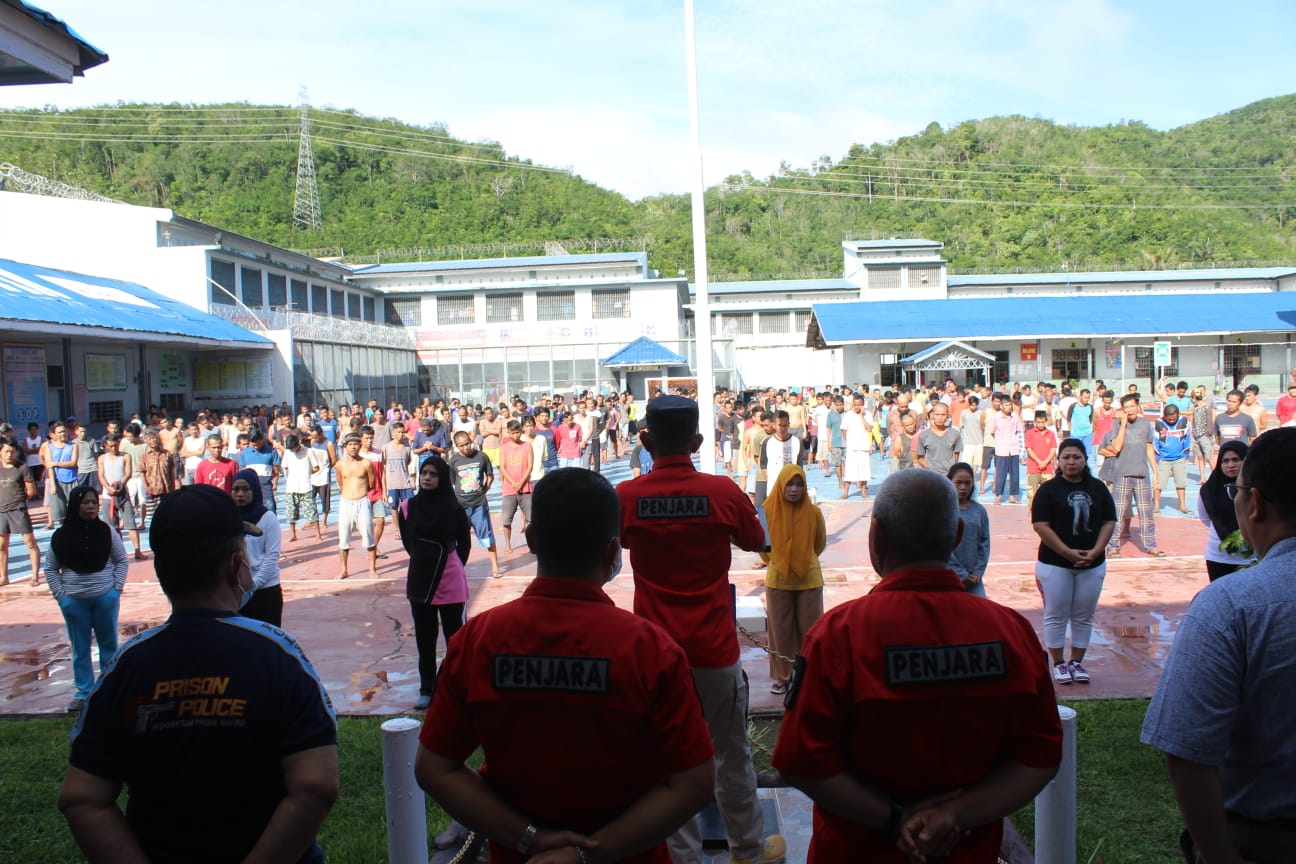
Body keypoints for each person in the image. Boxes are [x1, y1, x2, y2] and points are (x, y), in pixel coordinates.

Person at [415, 468, 715, 864]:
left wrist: (530, 840)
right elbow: (694, 783)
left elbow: (435, 768)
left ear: (533, 540)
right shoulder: (650, 650)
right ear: (612, 554)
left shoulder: (479, 640)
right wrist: (589, 853)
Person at [772, 469, 1062, 863]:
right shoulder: (1011, 632)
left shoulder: (840, 635)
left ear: (875, 537)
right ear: (958, 535)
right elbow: (1040, 756)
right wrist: (953, 814)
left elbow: (800, 762)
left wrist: (896, 819)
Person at [57, 484, 338, 863]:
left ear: (161, 572)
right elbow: (316, 784)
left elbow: (82, 797)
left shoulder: (126, 666)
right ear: (236, 567)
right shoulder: (278, 655)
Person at [617, 395, 786, 864]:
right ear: (696, 440)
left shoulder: (627, 497)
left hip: (653, 654)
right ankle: (749, 850)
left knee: (664, 761)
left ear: (646, 439)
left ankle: (681, 856)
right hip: (713, 650)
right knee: (731, 753)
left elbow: (614, 548)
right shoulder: (722, 491)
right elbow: (757, 540)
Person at [1141, 428, 1296, 864]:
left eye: (1239, 489)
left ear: (1255, 503)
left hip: (1264, 840)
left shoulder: (1229, 605)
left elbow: (1187, 751)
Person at [1031, 438, 1118, 685]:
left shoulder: (1098, 488)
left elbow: (1109, 522)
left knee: (1083, 614)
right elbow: (1041, 525)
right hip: (1054, 564)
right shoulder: (1048, 490)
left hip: (1093, 564)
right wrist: (1067, 552)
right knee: (1056, 614)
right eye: (1066, 457)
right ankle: (1058, 663)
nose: (1071, 462)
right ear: (1058, 460)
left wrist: (1097, 550)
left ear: (1085, 460)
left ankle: (1077, 662)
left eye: (1076, 457)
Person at [43, 486, 128, 712]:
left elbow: (121, 561)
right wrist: (62, 597)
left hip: (105, 599)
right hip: (74, 601)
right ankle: (84, 692)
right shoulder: (61, 536)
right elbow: (50, 568)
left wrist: (115, 590)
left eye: (93, 503)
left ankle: (108, 689)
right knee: (80, 648)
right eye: (85, 503)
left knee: (109, 644)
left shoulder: (107, 532)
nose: (90, 507)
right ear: (75, 505)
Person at [396, 457, 470, 711]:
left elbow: (464, 544)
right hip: (420, 580)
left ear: (442, 478)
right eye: (424, 473)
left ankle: (456, 687)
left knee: (455, 639)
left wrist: (449, 564)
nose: (427, 478)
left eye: (433, 474)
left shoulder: (454, 508)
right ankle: (426, 688)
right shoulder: (407, 507)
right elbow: (409, 543)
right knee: (425, 639)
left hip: (450, 579)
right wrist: (425, 562)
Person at [760, 464, 825, 696]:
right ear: (780, 485)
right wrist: (779, 562)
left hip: (809, 578)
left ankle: (808, 675)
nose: (795, 489)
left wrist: (802, 560)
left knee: (810, 631)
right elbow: (763, 547)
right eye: (790, 484)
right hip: (778, 579)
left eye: (799, 484)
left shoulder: (814, 513)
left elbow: (819, 543)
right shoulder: (766, 511)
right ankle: (782, 677)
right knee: (780, 632)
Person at [1101, 392, 1165, 558]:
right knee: (1117, 513)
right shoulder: (1117, 424)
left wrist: (1155, 471)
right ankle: (1113, 546)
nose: (1129, 410)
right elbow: (1116, 447)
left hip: (1142, 474)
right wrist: (1122, 424)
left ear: (1138, 406)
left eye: (1132, 406)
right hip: (1122, 474)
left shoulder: (1145, 424)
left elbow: (1149, 448)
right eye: (1126, 407)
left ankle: (1150, 545)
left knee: (1146, 513)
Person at [1197, 440, 1256, 582]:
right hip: (1219, 557)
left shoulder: (1258, 486)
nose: (1231, 465)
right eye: (1225, 461)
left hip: (1253, 556)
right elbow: (1206, 519)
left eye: (1236, 459)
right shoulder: (1209, 489)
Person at [231, 468, 284, 626]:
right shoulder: (228, 517)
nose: (240, 494)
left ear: (254, 489)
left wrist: (253, 585)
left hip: (265, 591)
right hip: (237, 593)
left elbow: (272, 555)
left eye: (246, 489)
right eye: (236, 489)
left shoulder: (268, 518)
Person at [449, 430, 500, 578]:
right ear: (457, 446)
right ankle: (457, 569)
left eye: (467, 443)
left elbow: (489, 476)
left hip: (479, 505)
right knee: (460, 540)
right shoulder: (454, 461)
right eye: (462, 446)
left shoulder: (481, 456)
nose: (466, 447)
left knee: (487, 537)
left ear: (471, 440)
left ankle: (495, 567)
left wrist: (484, 490)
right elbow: (451, 482)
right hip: (460, 507)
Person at [96, 433, 147, 562]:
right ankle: (118, 553)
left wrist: (120, 485)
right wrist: (108, 488)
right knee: (111, 526)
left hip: (123, 494)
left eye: (116, 445)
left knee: (130, 523)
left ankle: (137, 551)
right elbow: (101, 475)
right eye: (111, 446)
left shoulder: (125, 456)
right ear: (106, 446)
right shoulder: (102, 458)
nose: (114, 448)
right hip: (108, 496)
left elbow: (128, 473)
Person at [335, 434, 379, 580]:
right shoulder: (340, 464)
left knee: (368, 536)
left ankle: (372, 569)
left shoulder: (366, 463)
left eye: (356, 444)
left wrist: (361, 495)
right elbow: (340, 484)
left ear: (360, 446)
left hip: (363, 502)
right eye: (350, 444)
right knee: (344, 538)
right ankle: (343, 569)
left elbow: (371, 483)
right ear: (345, 447)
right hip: (346, 502)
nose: (353, 447)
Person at [0, 437, 40, 586]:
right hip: (1, 511)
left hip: (18, 510)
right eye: (6, 452)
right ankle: (4, 576)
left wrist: (19, 501)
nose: (10, 454)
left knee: (30, 543)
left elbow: (31, 491)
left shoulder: (22, 467)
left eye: (12, 451)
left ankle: (35, 576)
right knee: (2, 546)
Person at [947, 462, 991, 597]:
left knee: (980, 613)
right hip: (948, 578)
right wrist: (960, 574)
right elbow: (940, 547)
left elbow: (984, 542)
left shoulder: (979, 511)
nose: (963, 487)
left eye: (968, 483)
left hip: (973, 579)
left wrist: (977, 572)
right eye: (958, 483)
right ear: (949, 483)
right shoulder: (943, 511)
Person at [498, 419, 533, 555]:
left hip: (525, 488)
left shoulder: (527, 445)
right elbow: (503, 467)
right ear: (508, 432)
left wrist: (521, 482)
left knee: (531, 519)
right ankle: (508, 544)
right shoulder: (504, 447)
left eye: (518, 432)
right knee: (506, 519)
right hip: (509, 489)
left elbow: (530, 466)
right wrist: (513, 482)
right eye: (512, 433)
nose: (515, 435)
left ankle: (532, 544)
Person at [281, 434, 323, 542]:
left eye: (294, 448)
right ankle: (293, 534)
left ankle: (318, 534)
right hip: (291, 486)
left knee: (312, 510)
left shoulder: (308, 451)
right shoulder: (288, 453)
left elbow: (316, 467)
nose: (293, 450)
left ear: (298, 443)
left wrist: (307, 473)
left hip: (306, 486)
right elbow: (285, 466)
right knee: (291, 512)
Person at [1153, 404, 1192, 514]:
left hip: (1179, 458)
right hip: (1164, 459)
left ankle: (1183, 506)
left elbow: (1187, 438)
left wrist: (1186, 455)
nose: (1171, 421)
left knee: (1181, 483)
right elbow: (1155, 441)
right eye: (1169, 419)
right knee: (1158, 484)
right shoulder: (1159, 423)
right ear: (1164, 416)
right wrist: (1157, 457)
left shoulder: (1183, 422)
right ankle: (1156, 506)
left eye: (1174, 419)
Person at [915, 402, 962, 476]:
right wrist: (930, 469)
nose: (940, 418)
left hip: (949, 476)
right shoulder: (923, 436)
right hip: (932, 477)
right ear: (933, 415)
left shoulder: (955, 434)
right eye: (937, 414)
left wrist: (951, 471)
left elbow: (956, 456)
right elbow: (920, 458)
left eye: (943, 415)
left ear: (947, 415)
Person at [840, 393, 873, 500]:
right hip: (852, 447)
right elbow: (844, 430)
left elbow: (869, 429)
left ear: (863, 404)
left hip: (863, 446)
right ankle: (846, 492)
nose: (857, 407)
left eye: (859, 404)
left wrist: (862, 416)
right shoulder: (848, 415)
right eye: (855, 404)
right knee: (850, 470)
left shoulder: (868, 414)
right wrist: (848, 442)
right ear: (852, 404)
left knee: (864, 470)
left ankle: (863, 491)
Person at [1023, 409, 1058, 507]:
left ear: (1046, 421)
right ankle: (1031, 512)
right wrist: (1039, 462)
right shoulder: (1030, 433)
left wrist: (1046, 462)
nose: (1040, 424)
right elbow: (1029, 450)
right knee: (1031, 493)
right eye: (1038, 422)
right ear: (1035, 421)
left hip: (1047, 469)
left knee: (1049, 493)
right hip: (1033, 468)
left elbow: (1053, 450)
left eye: (1042, 422)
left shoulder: (1050, 434)